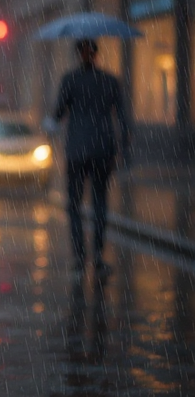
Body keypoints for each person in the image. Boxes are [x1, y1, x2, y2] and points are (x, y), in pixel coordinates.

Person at [53, 38, 129, 276]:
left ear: (79, 54)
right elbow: (123, 117)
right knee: (99, 203)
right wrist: (123, 149)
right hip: (102, 149)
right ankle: (96, 256)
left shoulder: (70, 80)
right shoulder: (110, 81)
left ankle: (79, 257)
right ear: (96, 54)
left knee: (74, 205)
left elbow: (57, 113)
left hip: (77, 150)